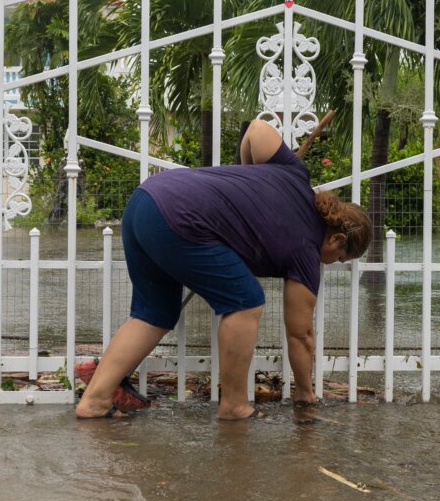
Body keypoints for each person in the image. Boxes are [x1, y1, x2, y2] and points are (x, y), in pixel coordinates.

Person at [75, 119, 372, 420]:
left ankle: (95, 401)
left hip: (145, 201)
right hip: (180, 217)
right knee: (246, 301)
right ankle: (233, 405)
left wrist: (250, 174)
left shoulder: (294, 174)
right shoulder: (306, 252)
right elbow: (301, 334)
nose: (329, 263)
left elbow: (256, 130)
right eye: (338, 258)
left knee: (154, 314)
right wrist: (305, 392)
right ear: (337, 238)